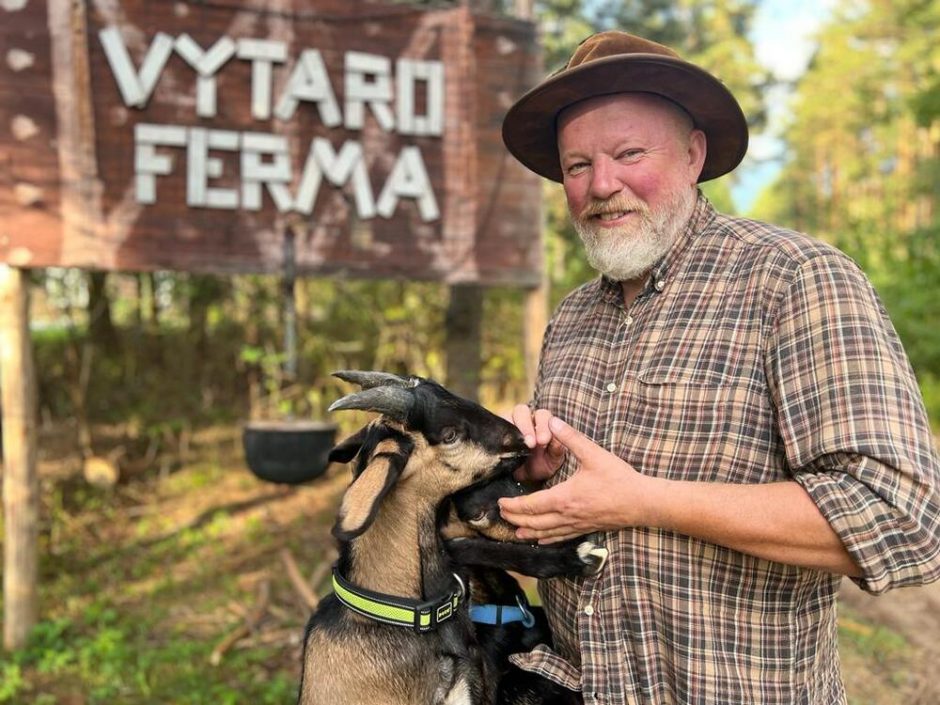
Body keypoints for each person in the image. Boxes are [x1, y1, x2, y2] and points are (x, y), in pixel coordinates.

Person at [496, 30, 940, 705]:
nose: (601, 184)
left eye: (629, 153)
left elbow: (903, 517)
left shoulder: (795, 279)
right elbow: (578, 506)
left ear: (694, 154)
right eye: (577, 164)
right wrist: (538, 470)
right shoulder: (573, 318)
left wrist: (645, 498)